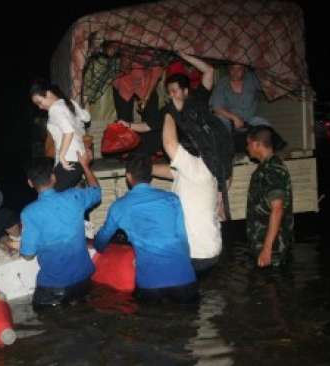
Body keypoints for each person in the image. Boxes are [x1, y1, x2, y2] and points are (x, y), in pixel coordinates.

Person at [152, 51, 233, 275]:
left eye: (176, 91)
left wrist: (183, 54)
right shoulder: (170, 113)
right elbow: (150, 127)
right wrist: (128, 126)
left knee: (215, 201)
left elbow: (209, 71)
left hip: (206, 161)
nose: (172, 96)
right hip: (188, 163)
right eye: (169, 93)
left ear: (186, 91)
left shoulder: (196, 100)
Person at [94, 156, 198, 303]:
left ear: (128, 177)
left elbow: (101, 241)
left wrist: (97, 244)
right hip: (184, 279)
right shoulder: (172, 199)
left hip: (150, 284)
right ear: (150, 175)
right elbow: (182, 238)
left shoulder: (120, 206)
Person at [20, 150, 101, 308]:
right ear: (54, 177)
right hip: (84, 283)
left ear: (30, 183)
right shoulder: (74, 197)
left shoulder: (30, 212)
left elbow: (28, 255)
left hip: (54, 290)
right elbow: (96, 192)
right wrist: (85, 165)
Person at [245, 125, 293, 267]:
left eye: (248, 144)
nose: (247, 148)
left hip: (273, 248)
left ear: (256, 144)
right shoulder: (266, 167)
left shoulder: (272, 170)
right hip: (265, 244)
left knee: (273, 285)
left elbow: (277, 209)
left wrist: (267, 249)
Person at [30, 80, 91, 191]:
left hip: (68, 161)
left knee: (52, 197)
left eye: (39, 102)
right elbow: (86, 117)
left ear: (48, 94)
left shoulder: (55, 109)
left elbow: (68, 131)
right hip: (79, 160)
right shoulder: (69, 103)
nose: (40, 107)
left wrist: (62, 156)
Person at [210, 64, 270, 132]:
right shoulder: (222, 82)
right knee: (220, 120)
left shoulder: (252, 78)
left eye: (239, 69)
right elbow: (216, 107)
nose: (235, 72)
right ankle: (225, 141)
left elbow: (267, 86)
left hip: (250, 119)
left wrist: (266, 81)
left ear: (244, 70)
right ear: (229, 69)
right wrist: (234, 118)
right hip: (229, 120)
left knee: (264, 124)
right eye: (232, 68)